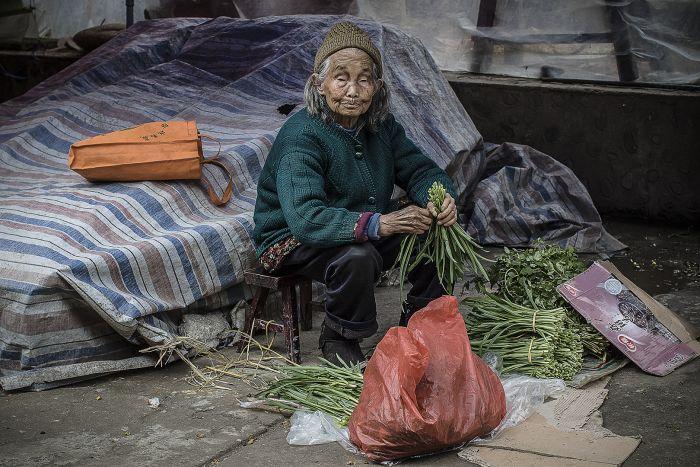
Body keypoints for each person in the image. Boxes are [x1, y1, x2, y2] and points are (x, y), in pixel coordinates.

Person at [252, 22, 458, 365]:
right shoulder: (302, 136)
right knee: (358, 257)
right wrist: (382, 224)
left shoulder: (381, 127)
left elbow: (421, 170)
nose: (353, 91)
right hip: (293, 238)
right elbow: (305, 218)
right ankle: (339, 336)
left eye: (364, 79)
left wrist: (441, 198)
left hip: (362, 224)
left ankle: (420, 318)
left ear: (377, 87)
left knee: (435, 233)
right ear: (319, 84)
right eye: (341, 78)